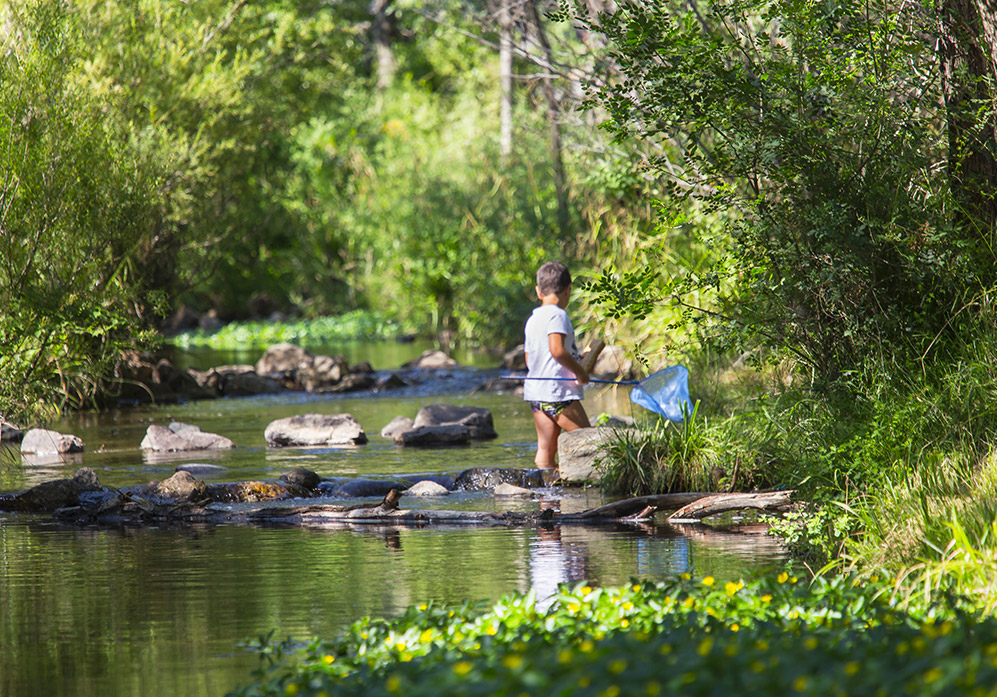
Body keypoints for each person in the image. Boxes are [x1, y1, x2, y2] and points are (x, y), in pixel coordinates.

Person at [523, 261, 591, 470]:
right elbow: (557, 350)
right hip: (558, 393)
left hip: (536, 393)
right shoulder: (558, 315)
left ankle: (547, 500)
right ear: (568, 290)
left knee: (545, 452)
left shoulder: (533, 319)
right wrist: (581, 373)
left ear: (538, 291)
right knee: (593, 442)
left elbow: (529, 359)